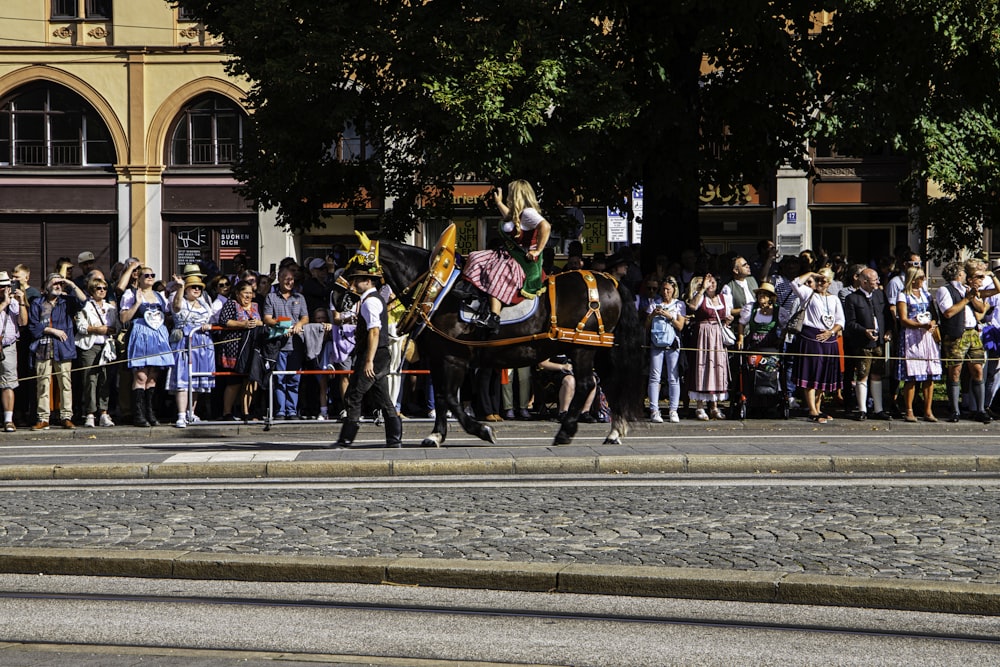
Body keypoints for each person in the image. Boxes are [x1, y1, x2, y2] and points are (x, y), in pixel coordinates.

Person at [462, 180, 551, 333]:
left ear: (517, 194)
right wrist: (498, 202)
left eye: (510, 192)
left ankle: (494, 317)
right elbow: (509, 217)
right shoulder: (518, 214)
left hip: (522, 261)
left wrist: (537, 250)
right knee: (475, 256)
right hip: (508, 254)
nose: (509, 195)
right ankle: (468, 289)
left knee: (496, 272)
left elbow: (546, 226)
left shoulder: (529, 212)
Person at [333, 261, 403, 448]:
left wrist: (369, 360)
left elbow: (374, 332)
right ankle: (394, 439)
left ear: (367, 281)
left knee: (353, 395)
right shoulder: (374, 299)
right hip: (379, 354)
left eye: (356, 280)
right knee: (383, 397)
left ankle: (346, 440)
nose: (354, 284)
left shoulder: (370, 301)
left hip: (373, 354)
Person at [935, 259, 999, 423]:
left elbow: (980, 308)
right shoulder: (945, 290)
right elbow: (948, 313)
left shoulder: (967, 289)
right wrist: (966, 299)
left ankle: (979, 409)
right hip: (957, 333)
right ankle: (954, 409)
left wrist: (973, 296)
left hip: (972, 333)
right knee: (955, 371)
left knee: (977, 370)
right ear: (958, 274)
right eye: (964, 273)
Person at [29, 273, 87, 430]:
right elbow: (33, 327)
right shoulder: (38, 303)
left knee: (65, 383)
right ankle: (43, 418)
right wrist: (52, 330)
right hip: (43, 347)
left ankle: (66, 416)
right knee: (42, 383)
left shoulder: (66, 302)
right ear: (46, 286)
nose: (57, 286)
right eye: (54, 283)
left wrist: (70, 283)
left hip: (63, 348)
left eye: (60, 284)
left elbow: (84, 301)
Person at [119, 266, 174, 427]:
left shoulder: (159, 296)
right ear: (139, 278)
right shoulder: (131, 294)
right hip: (141, 334)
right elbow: (124, 318)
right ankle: (138, 413)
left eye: (152, 275)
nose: (150, 277)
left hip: (157, 336)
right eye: (146, 275)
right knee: (141, 376)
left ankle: (150, 411)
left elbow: (168, 314)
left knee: (152, 377)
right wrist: (137, 303)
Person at [790, 267, 845, 423]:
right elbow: (794, 283)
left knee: (823, 376)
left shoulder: (834, 299)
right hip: (810, 338)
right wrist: (811, 274)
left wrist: (831, 332)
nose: (820, 282)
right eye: (818, 279)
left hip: (828, 339)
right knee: (811, 374)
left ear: (829, 283)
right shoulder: (809, 294)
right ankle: (812, 410)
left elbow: (840, 321)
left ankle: (818, 407)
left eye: (824, 280)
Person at [844, 268, 893, 421]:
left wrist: (889, 330)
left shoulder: (879, 294)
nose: (878, 282)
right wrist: (864, 330)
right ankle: (862, 409)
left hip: (878, 342)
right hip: (862, 343)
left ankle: (878, 409)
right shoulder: (852, 298)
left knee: (877, 374)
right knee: (862, 374)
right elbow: (850, 323)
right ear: (864, 282)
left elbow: (886, 315)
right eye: (874, 280)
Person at [167, 275, 216, 428]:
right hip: (185, 341)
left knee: (196, 380)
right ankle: (181, 414)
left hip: (202, 343)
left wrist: (209, 326)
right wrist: (180, 287)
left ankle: (191, 412)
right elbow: (176, 308)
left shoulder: (204, 303)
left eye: (199, 287)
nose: (197, 289)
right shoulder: (179, 299)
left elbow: (211, 320)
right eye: (193, 287)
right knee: (183, 377)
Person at [263, 267, 310, 419]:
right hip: (278, 344)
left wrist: (299, 325)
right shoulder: (271, 297)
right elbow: (267, 318)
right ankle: (281, 410)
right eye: (286, 279)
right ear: (280, 279)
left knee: (294, 379)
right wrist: (283, 325)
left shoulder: (299, 297)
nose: (290, 282)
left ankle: (292, 410)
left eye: (292, 279)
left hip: (295, 344)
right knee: (279, 378)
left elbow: (305, 317)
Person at [896, 266, 941, 422]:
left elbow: (934, 315)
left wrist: (932, 324)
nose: (923, 280)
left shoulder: (926, 295)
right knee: (912, 376)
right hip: (912, 336)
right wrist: (920, 325)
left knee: (929, 374)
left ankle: (928, 410)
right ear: (913, 279)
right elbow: (903, 319)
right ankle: (909, 410)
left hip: (927, 336)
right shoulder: (903, 296)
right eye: (921, 278)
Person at [73, 276, 119, 428]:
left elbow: (117, 327)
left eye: (104, 288)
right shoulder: (85, 306)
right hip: (89, 346)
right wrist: (97, 329)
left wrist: (110, 330)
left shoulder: (111, 308)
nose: (102, 291)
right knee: (90, 379)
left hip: (107, 346)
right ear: (91, 291)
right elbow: (81, 327)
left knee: (105, 379)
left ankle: (104, 412)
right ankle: (90, 413)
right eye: (98, 288)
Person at [686, 273, 731, 420]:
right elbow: (692, 306)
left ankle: (714, 406)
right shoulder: (701, 297)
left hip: (717, 335)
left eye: (713, 282)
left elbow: (728, 316)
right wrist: (702, 289)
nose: (711, 284)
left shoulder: (724, 298)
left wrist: (728, 320)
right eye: (708, 282)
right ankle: (700, 406)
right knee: (703, 366)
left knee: (717, 366)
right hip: (703, 334)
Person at [218, 281, 263, 421]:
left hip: (251, 348)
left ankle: (246, 412)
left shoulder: (256, 306)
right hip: (234, 349)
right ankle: (227, 412)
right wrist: (242, 324)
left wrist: (257, 323)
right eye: (245, 293)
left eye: (250, 293)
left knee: (249, 381)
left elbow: (262, 322)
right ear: (238, 293)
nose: (248, 296)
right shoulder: (232, 304)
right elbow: (224, 320)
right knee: (234, 382)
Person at [646, 277, 686, 423]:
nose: (665, 292)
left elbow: (681, 326)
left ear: (674, 290)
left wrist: (669, 317)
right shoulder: (654, 304)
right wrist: (653, 315)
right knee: (655, 377)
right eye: (663, 289)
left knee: (673, 377)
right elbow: (646, 325)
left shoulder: (679, 305)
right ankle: (654, 410)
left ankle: (673, 410)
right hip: (656, 343)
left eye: (668, 289)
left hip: (672, 343)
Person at [0, 271, 28, 432]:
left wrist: (21, 301)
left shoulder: (14, 303)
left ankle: (8, 419)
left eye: (7, 286)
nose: (5, 289)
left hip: (8, 346)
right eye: (2, 287)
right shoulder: (4, 303)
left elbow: (23, 322)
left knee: (8, 383)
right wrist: (4, 303)